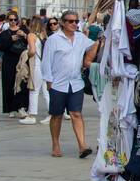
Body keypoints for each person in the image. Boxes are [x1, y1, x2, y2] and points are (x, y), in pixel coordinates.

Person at [40, 11, 99, 157]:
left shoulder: (80, 38)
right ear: (63, 23)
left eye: (76, 21)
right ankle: (55, 144)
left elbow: (93, 45)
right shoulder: (53, 39)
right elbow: (46, 61)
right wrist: (49, 81)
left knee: (76, 113)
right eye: (70, 21)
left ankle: (82, 145)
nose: (74, 24)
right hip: (58, 83)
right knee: (57, 115)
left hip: (76, 82)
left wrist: (92, 53)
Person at [0, 14, 29, 116]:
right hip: (9, 60)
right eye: (11, 20)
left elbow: (32, 42)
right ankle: (10, 108)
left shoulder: (24, 31)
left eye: (15, 19)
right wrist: (10, 40)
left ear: (18, 20)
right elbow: (0, 46)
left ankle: (21, 107)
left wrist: (24, 35)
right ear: (7, 20)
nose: (13, 21)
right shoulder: (5, 33)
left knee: (22, 83)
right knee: (8, 83)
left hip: (22, 59)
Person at [20, 16, 48, 125]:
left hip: (36, 65)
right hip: (45, 65)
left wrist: (25, 54)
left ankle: (31, 115)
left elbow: (32, 51)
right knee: (46, 91)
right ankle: (52, 114)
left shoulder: (31, 36)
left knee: (34, 90)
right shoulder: (44, 35)